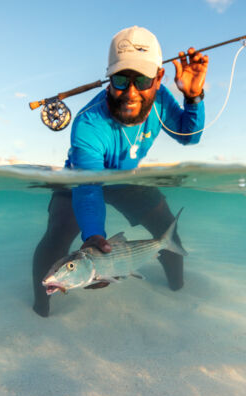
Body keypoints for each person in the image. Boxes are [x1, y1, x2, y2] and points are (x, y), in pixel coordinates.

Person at [32, 26, 209, 317]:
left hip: (125, 181)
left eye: (141, 79)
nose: (130, 92)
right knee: (57, 237)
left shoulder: (162, 99)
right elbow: (88, 188)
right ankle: (41, 307)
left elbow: (189, 135)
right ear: (108, 77)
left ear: (159, 77)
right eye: (120, 79)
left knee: (166, 228)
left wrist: (193, 98)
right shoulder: (88, 123)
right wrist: (93, 238)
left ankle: (177, 290)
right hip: (81, 179)